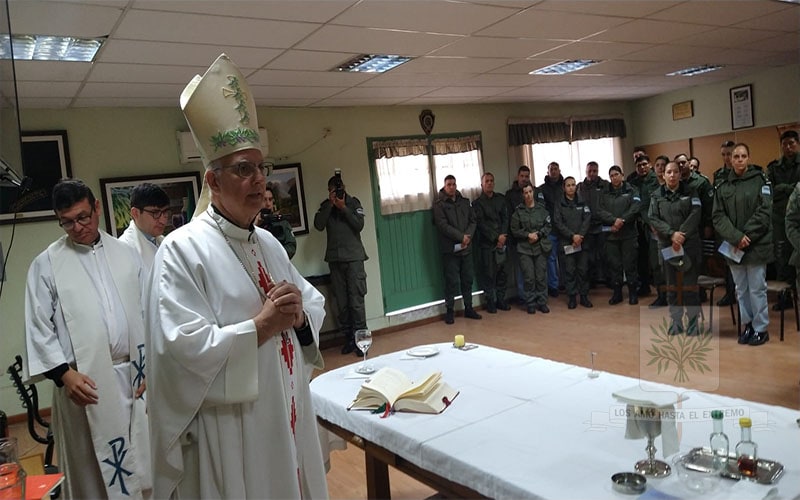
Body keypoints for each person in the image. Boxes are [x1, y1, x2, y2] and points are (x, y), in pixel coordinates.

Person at [145, 53, 328, 498]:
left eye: (260, 168)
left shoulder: (266, 242)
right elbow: (180, 350)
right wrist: (260, 327)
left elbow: (310, 303)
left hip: (284, 407)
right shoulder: (182, 250)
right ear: (212, 180)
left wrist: (299, 317)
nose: (258, 181)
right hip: (233, 429)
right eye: (243, 169)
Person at [24, 178, 151, 498]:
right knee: (90, 471)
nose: (77, 227)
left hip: (133, 378)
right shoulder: (47, 265)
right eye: (66, 222)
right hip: (82, 384)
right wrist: (65, 375)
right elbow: (38, 327)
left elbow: (148, 311)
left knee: (140, 460)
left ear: (96, 208)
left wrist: (151, 366)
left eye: (83, 217)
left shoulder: (127, 254)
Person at [712, 143, 772, 346]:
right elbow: (718, 216)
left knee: (757, 288)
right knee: (741, 289)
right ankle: (748, 325)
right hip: (734, 245)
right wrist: (736, 236)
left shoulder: (760, 180)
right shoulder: (723, 186)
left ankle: (761, 329)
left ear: (748, 158)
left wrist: (746, 236)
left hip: (756, 244)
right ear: (730, 159)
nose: (738, 159)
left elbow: (764, 212)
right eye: (735, 156)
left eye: (743, 156)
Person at [314, 171, 368, 354]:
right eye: (332, 190)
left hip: (354, 259)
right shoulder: (326, 206)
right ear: (328, 191)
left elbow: (359, 225)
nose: (336, 192)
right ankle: (349, 339)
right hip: (335, 260)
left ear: (344, 188)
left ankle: (362, 341)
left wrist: (344, 207)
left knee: (356, 302)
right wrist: (331, 204)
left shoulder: (354, 203)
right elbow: (318, 225)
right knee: (342, 304)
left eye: (339, 188)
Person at [649, 162, 702, 335]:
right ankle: (676, 322)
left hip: (689, 245)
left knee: (689, 286)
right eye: (668, 172)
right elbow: (653, 218)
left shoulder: (691, 191)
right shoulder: (656, 195)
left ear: (680, 174)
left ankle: (693, 323)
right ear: (663, 175)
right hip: (667, 246)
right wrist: (672, 234)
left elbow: (696, 214)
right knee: (672, 287)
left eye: (675, 172)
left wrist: (682, 235)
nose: (672, 175)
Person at [433, 174, 481, 324]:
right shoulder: (439, 205)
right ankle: (450, 311)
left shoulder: (465, 202)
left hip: (466, 247)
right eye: (449, 185)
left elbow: (473, 221)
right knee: (451, 281)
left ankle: (469, 308)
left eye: (454, 184)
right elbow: (443, 226)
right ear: (444, 186)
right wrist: (461, 237)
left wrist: (468, 236)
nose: (452, 187)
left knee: (467, 279)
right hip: (450, 250)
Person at [597, 165, 641, 305]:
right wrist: (613, 221)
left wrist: (622, 220)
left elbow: (635, 208)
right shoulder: (604, 192)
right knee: (614, 266)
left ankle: (633, 293)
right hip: (612, 236)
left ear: (622, 175)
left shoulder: (632, 190)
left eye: (616, 174)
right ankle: (617, 293)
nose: (614, 177)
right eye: (611, 176)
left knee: (630, 265)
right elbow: (599, 210)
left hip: (628, 234)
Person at [766, 130, 800, 307]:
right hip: (779, 219)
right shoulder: (773, 167)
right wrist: (792, 188)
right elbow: (770, 191)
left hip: (798, 219)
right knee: (782, 258)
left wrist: (784, 188)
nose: (788, 147)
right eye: (785, 144)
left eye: (792, 143)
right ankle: (785, 297)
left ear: (797, 144)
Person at [511, 181, 552, 314]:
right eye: (525, 193)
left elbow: (548, 225)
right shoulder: (518, 211)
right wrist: (527, 234)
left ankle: (542, 302)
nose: (528, 195)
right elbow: (514, 229)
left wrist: (539, 234)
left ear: (533, 192)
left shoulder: (541, 209)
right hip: (525, 248)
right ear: (522, 195)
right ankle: (530, 302)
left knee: (541, 276)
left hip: (540, 246)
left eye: (530, 192)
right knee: (529, 277)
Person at [473, 172, 510, 313]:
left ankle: (501, 300)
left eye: (491, 181)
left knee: (502, 273)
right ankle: (490, 302)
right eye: (486, 181)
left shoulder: (500, 199)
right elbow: (481, 224)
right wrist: (496, 237)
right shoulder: (477, 203)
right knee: (489, 274)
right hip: (487, 244)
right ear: (482, 184)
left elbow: (505, 218)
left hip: (502, 241)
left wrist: (503, 236)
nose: (489, 183)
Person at [553, 176, 592, 308]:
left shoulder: (582, 201)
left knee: (583, 270)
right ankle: (572, 297)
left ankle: (584, 296)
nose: (571, 187)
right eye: (568, 185)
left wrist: (580, 236)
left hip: (582, 242)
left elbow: (587, 219)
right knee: (569, 271)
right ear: (564, 188)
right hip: (567, 243)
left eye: (573, 185)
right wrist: (572, 236)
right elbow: (558, 222)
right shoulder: (559, 203)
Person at [118, 182, 170, 274]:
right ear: (135, 213)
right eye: (155, 213)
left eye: (165, 212)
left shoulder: (163, 241)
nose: (163, 220)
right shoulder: (124, 249)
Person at [628, 155, 660, 297]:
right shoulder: (633, 182)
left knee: (656, 260)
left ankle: (662, 292)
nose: (642, 168)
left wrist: (652, 223)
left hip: (653, 225)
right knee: (641, 258)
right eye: (639, 166)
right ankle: (644, 285)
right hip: (638, 226)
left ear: (650, 164)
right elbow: (636, 204)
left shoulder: (657, 180)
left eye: (644, 164)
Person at [712, 141, 737, 307]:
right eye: (724, 154)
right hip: (723, 226)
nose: (726, 158)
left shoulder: (744, 173)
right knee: (727, 262)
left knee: (740, 262)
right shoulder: (718, 174)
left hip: (738, 225)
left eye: (729, 154)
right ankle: (730, 293)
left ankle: (740, 293)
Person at [577, 161, 609, 287]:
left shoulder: (605, 185)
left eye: (594, 171)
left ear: (598, 171)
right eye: (589, 171)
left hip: (602, 225)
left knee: (605, 254)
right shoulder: (580, 187)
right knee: (588, 256)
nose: (592, 173)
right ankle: (591, 281)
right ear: (586, 172)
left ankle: (609, 279)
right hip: (587, 227)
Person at [538, 161, 563, 297]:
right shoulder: (541, 189)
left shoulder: (566, 186)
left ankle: (566, 283)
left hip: (565, 228)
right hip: (550, 229)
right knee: (551, 259)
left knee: (566, 258)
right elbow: (541, 209)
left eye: (555, 169)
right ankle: (553, 286)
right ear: (547, 172)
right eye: (551, 169)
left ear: (559, 170)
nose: (553, 171)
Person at [257, 185, 297, 259]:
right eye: (264, 200)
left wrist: (276, 253)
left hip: (281, 263)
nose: (268, 204)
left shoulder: (282, 222)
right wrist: (255, 225)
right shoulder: (253, 224)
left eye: (270, 199)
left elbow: (291, 247)